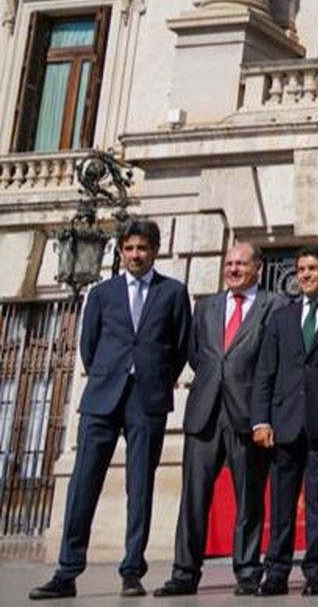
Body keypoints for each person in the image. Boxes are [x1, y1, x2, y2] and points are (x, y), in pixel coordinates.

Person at [31, 219, 192, 601]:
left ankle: (132, 571)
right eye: (130, 248)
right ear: (121, 251)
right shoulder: (102, 293)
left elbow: (181, 346)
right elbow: (88, 345)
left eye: (143, 248)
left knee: (141, 486)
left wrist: (155, 377)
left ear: (155, 250)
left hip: (147, 401)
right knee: (84, 484)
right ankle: (67, 571)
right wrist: (110, 373)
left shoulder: (173, 292)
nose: (136, 255)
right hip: (102, 400)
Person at [155, 241, 287, 597]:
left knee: (249, 498)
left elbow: (274, 360)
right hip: (204, 412)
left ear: (257, 267)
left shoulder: (274, 306)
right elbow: (197, 356)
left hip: (248, 415)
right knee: (193, 498)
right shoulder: (206, 306)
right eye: (229, 263)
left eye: (241, 263)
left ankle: (247, 572)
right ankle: (184, 572)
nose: (233, 269)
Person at [250, 246, 318, 596]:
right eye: (300, 269)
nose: (306, 275)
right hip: (283, 424)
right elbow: (265, 372)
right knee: (280, 504)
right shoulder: (281, 318)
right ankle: (276, 572)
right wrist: (260, 420)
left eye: (312, 268)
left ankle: (315, 572)